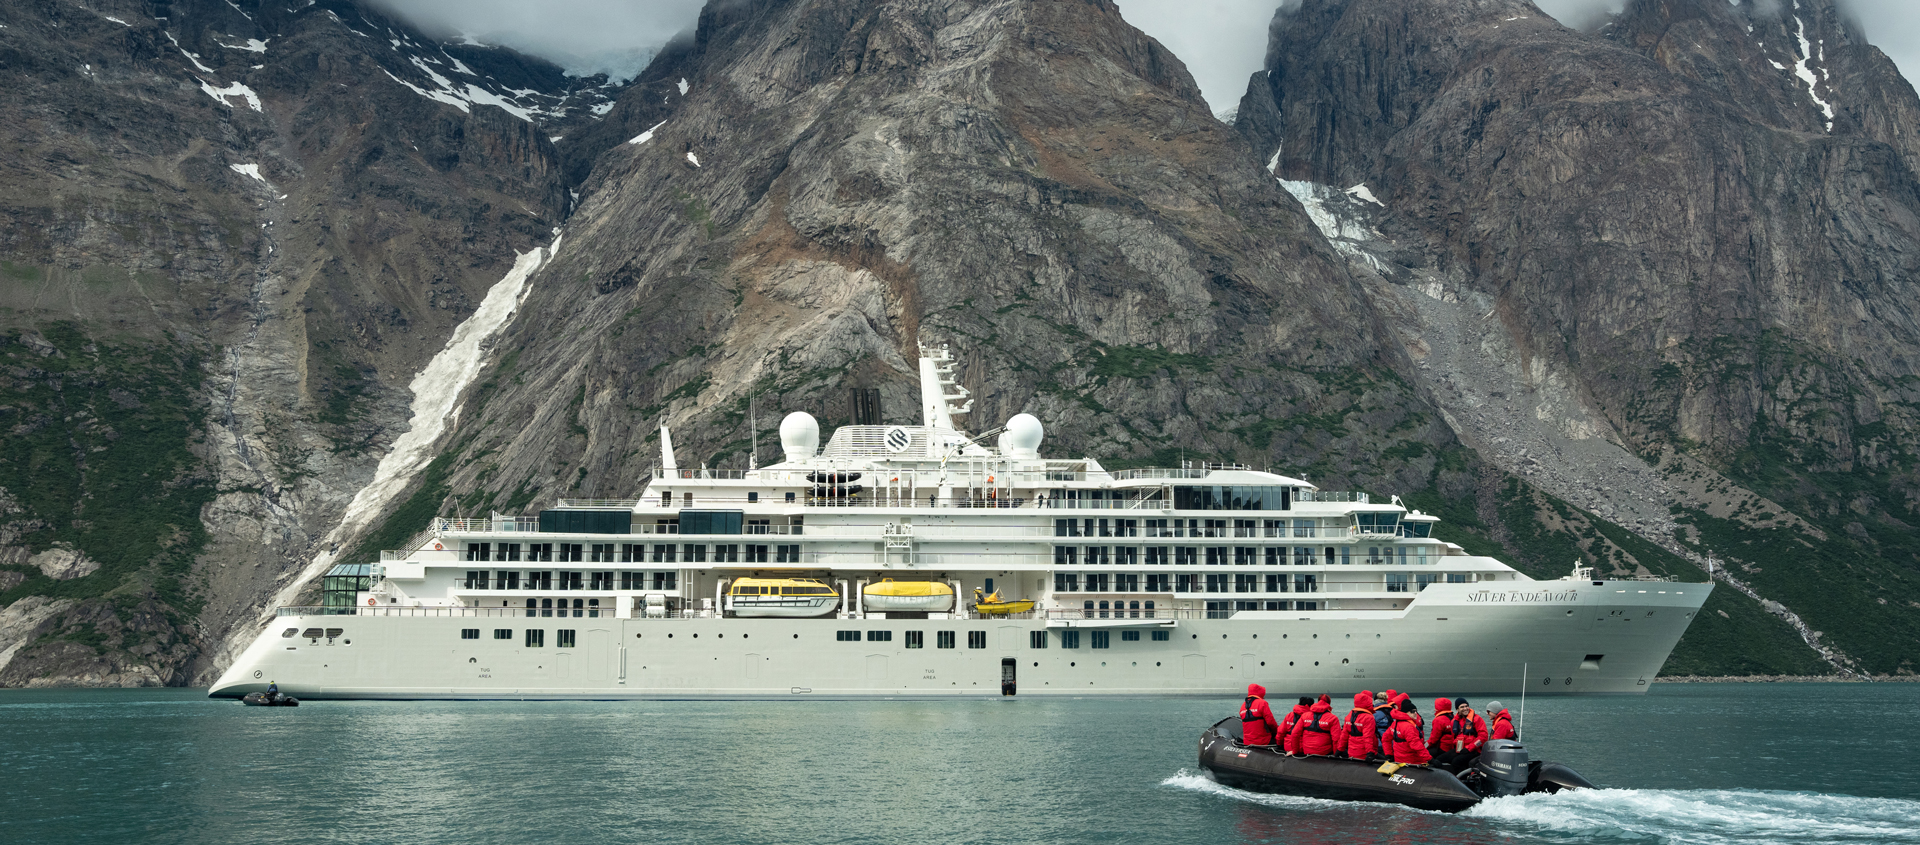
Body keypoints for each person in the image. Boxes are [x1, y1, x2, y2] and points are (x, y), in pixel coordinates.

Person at [1389, 695, 1431, 765]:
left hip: (1400, 759)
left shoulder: (1395, 723)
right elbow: (1415, 744)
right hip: (1413, 760)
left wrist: (1389, 754)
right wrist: (1429, 759)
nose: (1415, 713)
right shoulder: (1408, 726)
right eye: (1413, 711)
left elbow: (1386, 738)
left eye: (1415, 711)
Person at [1345, 690, 1378, 761]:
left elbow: (1344, 735)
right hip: (1364, 753)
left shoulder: (1349, 715)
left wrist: (1339, 749)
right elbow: (1368, 736)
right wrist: (1370, 752)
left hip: (1352, 751)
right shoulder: (1368, 717)